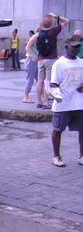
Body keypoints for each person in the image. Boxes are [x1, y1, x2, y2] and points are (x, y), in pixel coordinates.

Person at [48, 35, 83, 167]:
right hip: (63, 104)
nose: (76, 49)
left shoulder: (82, 62)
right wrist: (58, 97)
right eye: (74, 46)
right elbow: (53, 84)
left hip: (79, 103)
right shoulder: (59, 64)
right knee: (58, 130)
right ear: (66, 46)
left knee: (82, 131)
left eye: (78, 46)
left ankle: (81, 156)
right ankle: (56, 156)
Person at [32, 13, 70, 109]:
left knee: (40, 81)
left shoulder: (39, 31)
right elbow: (67, 21)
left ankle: (39, 102)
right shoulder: (54, 31)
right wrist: (56, 16)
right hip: (51, 58)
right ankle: (45, 102)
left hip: (41, 59)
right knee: (47, 81)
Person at [23, 30, 39, 103]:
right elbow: (27, 47)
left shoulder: (39, 37)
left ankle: (41, 96)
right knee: (30, 79)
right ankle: (26, 97)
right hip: (31, 59)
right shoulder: (36, 37)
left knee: (39, 79)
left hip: (36, 60)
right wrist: (32, 56)